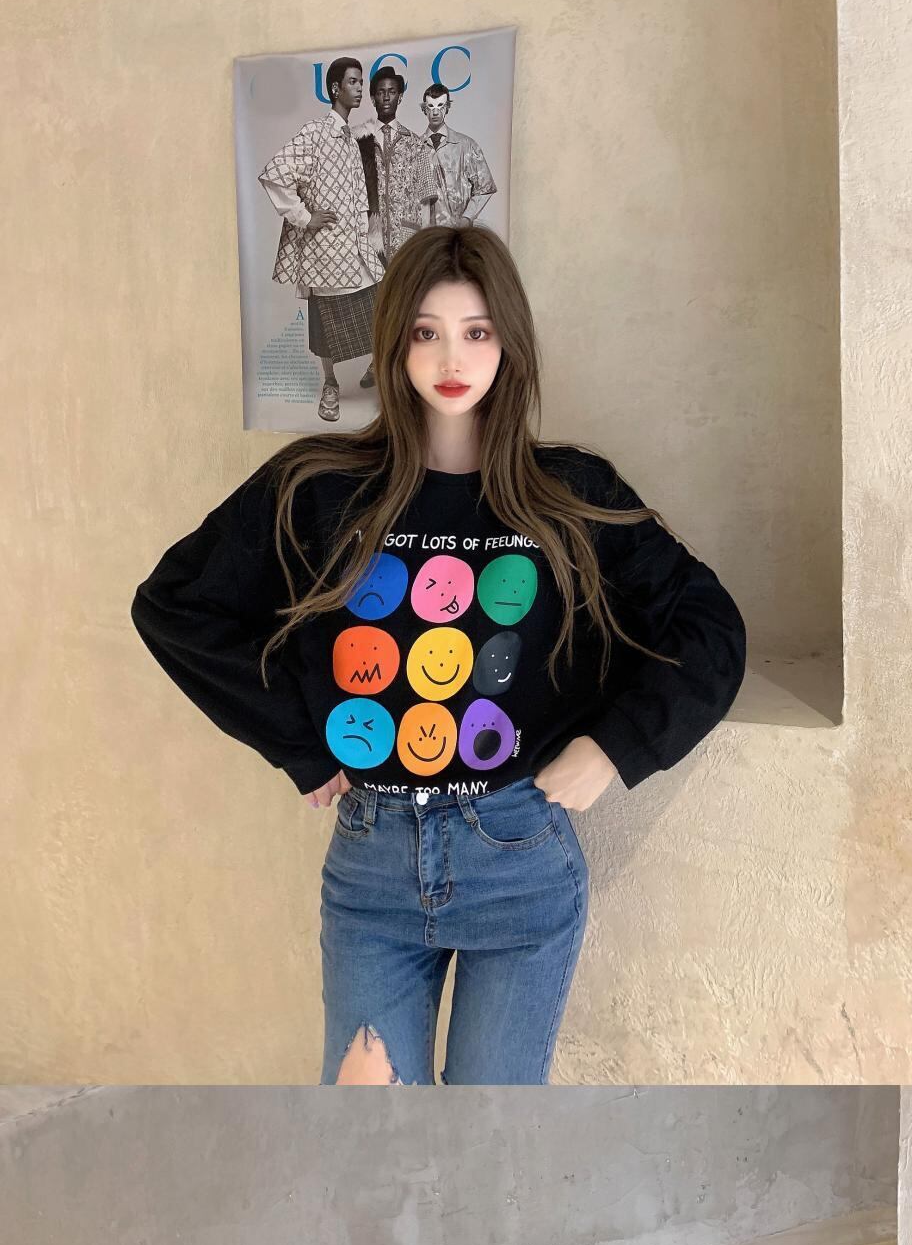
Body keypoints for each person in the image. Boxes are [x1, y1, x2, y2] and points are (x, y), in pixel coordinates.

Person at [131, 224, 746, 1088]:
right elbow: (173, 605)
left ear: (509, 343)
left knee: (488, 1135)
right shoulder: (319, 485)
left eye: (476, 331)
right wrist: (297, 743)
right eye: (426, 331)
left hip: (518, 857)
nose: (450, 358)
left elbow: (708, 625)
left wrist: (614, 748)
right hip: (371, 866)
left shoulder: (570, 493)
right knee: (372, 1131)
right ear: (394, 343)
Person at [257, 55, 378, 425]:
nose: (360, 88)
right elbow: (275, 175)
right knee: (326, 322)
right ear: (335, 88)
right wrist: (305, 218)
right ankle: (330, 384)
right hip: (325, 251)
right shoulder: (315, 132)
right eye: (353, 82)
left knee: (381, 309)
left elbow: (361, 193)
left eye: (361, 82)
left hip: (356, 247)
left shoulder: (353, 138)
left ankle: (381, 369)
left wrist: (368, 231)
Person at [356, 63, 425, 273]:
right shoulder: (359, 142)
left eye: (392, 92)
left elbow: (427, 200)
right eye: (381, 92)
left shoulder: (415, 143)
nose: (386, 97)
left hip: (405, 238)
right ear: (373, 98)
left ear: (400, 97)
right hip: (369, 240)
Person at [415, 81, 496, 230]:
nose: (435, 112)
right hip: (424, 234)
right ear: (424, 109)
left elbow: (485, 187)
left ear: (447, 108)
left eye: (440, 106)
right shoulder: (414, 148)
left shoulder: (466, 146)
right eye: (430, 106)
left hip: (456, 233)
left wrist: (466, 218)